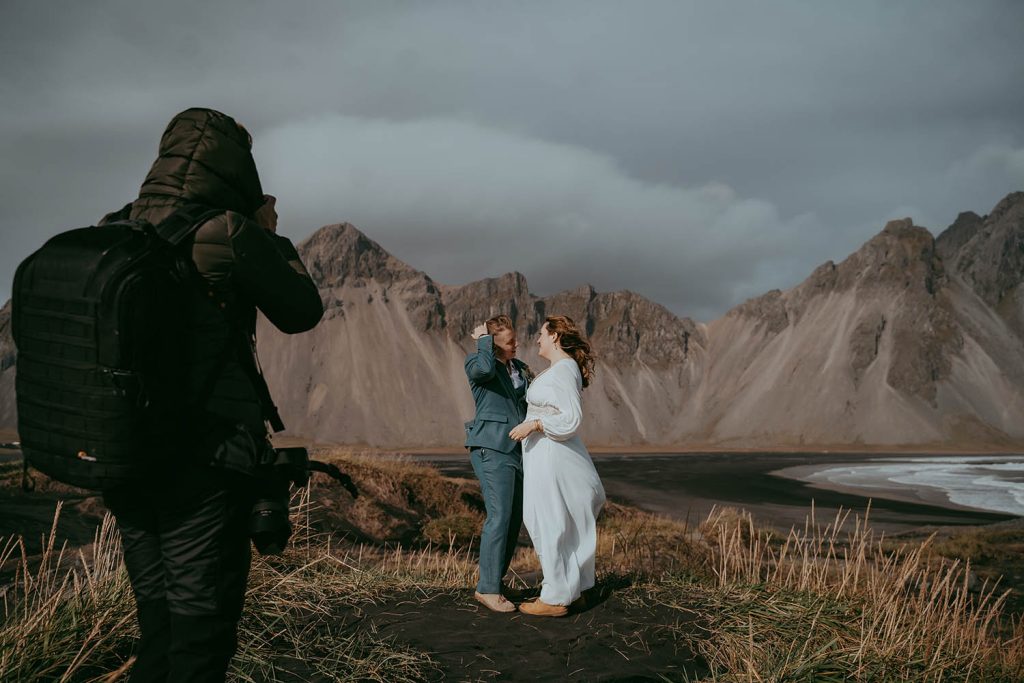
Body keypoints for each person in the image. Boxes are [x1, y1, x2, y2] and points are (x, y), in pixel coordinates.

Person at [101, 108, 324, 682]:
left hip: (125, 460)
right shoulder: (226, 232)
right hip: (202, 463)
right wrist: (271, 235)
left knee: (159, 626)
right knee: (202, 634)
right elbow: (301, 311)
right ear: (234, 166)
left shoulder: (114, 227)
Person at [509, 315, 605, 617]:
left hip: (551, 458)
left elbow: (572, 418)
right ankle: (575, 591)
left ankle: (554, 598)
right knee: (562, 521)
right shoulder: (562, 370)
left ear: (555, 337)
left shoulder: (563, 371)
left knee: (547, 520)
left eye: (541, 333)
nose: (537, 339)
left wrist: (535, 424)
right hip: (547, 456)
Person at [463, 314, 532, 613]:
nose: (515, 345)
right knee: (499, 515)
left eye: (515, 339)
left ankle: (497, 582)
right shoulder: (477, 361)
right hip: (491, 447)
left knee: (514, 519)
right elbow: (483, 370)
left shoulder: (519, 369)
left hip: (518, 451)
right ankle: (487, 589)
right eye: (509, 342)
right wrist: (483, 343)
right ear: (493, 343)